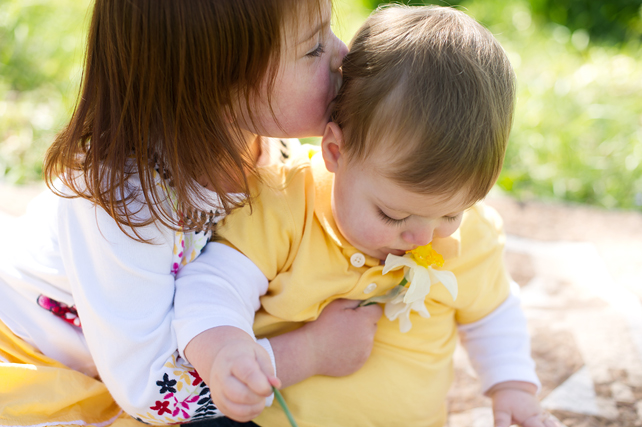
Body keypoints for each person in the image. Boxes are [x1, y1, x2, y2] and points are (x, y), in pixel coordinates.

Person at [174, 5, 563, 427]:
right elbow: (214, 283)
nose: (420, 236)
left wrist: (512, 388)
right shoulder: (285, 202)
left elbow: (492, 313)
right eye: (392, 214)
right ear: (336, 152)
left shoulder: (470, 236)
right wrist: (224, 349)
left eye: (450, 212)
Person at [0, 0, 383, 425]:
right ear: (214, 80)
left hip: (141, 360)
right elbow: (153, 390)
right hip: (46, 356)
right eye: (313, 49)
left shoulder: (270, 149)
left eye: (329, 31)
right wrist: (309, 352)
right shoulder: (119, 204)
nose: (343, 54)